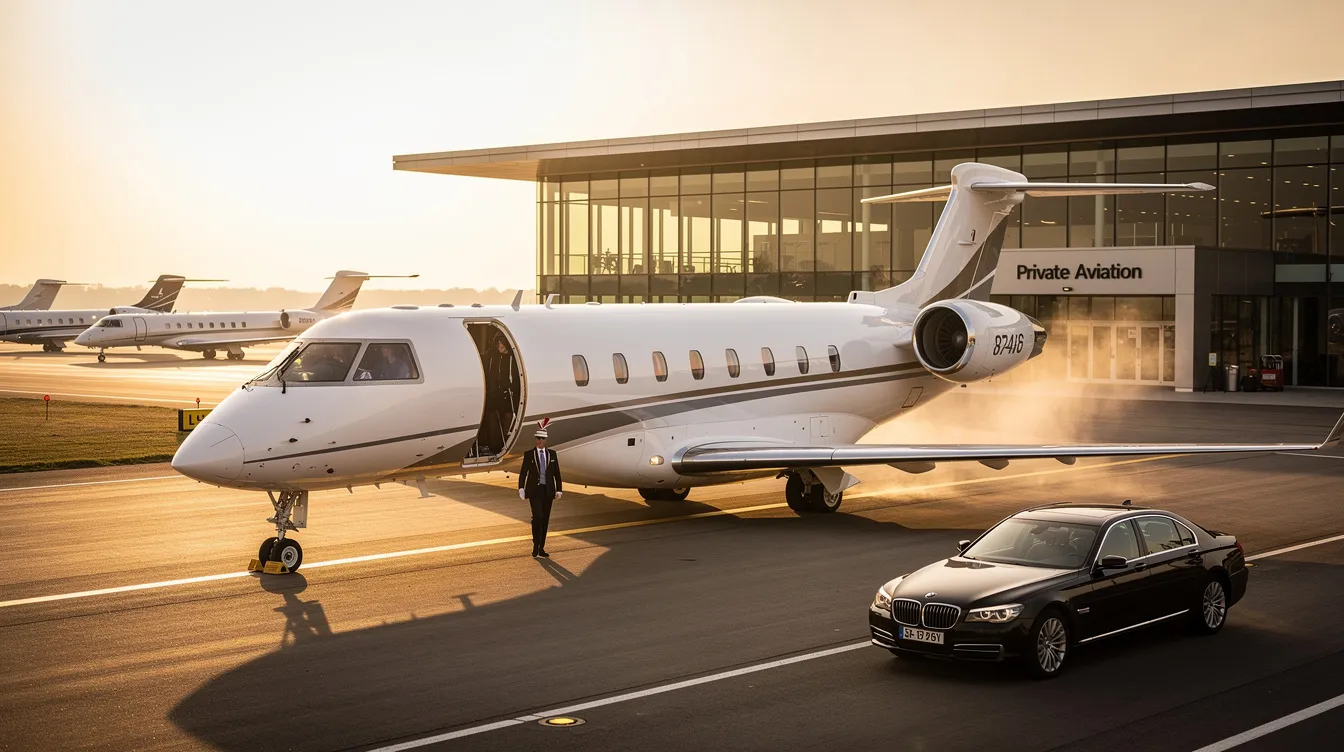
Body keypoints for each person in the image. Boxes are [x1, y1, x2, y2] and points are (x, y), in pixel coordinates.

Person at [517, 426, 562, 557]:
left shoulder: (552, 454)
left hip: (548, 491)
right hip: (534, 491)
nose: (539, 441)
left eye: (542, 439)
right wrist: (521, 488)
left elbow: (556, 473)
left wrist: (559, 489)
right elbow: (523, 472)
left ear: (545, 440)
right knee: (538, 517)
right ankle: (535, 545)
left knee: (545, 519)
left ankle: (541, 547)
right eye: (537, 438)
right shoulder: (529, 454)